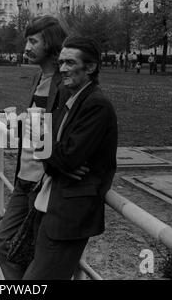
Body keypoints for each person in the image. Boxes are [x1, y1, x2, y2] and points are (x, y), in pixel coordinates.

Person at [0, 15, 88, 280]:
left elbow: (68, 133)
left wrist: (63, 164)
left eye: (33, 41)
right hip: (24, 178)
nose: (27, 47)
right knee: (4, 243)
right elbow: (39, 124)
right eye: (27, 40)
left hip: (43, 183)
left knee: (36, 254)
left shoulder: (64, 82)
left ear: (51, 43)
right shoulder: (40, 76)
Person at [26, 36, 118, 280]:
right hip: (50, 202)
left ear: (90, 67)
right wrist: (55, 157)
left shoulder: (97, 105)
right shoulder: (67, 95)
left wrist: (52, 153)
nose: (62, 69)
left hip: (69, 215)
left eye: (69, 63)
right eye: (61, 62)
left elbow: (65, 156)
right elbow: (47, 149)